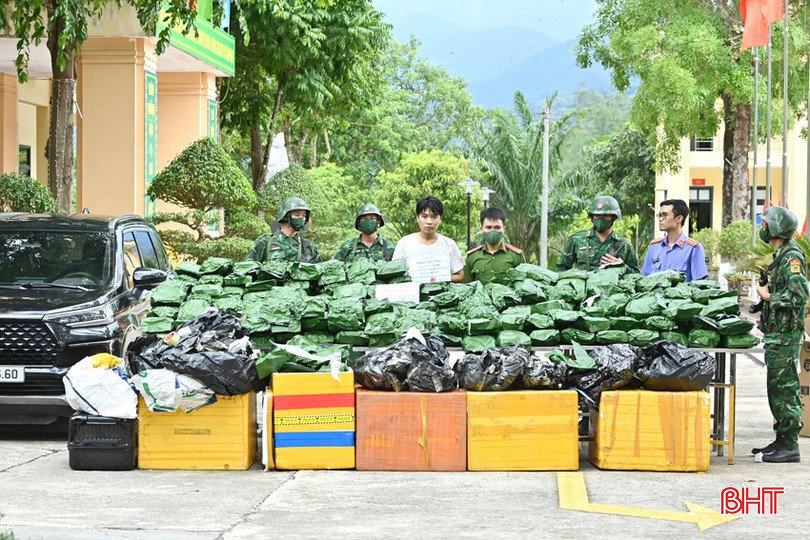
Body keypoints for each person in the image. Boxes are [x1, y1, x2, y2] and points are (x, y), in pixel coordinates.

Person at [751, 206, 807, 463]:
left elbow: (799, 296)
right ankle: (781, 439)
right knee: (776, 388)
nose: (763, 228)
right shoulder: (781, 256)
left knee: (785, 389)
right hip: (777, 334)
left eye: (766, 225)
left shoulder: (792, 258)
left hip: (786, 335)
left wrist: (767, 296)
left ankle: (790, 445)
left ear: (776, 229)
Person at [556, 195, 639, 273]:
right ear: (592, 217)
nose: (600, 219)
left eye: (605, 215)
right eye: (597, 215)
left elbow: (636, 276)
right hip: (584, 287)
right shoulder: (577, 239)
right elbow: (561, 269)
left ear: (613, 218)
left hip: (612, 287)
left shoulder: (624, 245)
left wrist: (623, 267)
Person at [392, 196, 465, 283]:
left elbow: (460, 276)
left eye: (434, 217)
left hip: (443, 296)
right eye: (424, 216)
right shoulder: (404, 243)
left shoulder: (449, 244)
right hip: (414, 295)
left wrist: (440, 278)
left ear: (440, 219)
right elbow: (394, 274)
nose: (429, 221)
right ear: (417, 218)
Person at [641, 199, 708, 282]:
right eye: (660, 215)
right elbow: (644, 280)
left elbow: (699, 285)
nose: (660, 219)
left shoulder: (693, 249)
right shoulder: (655, 247)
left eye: (664, 215)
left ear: (679, 219)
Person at [245, 197, 321, 263]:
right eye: (297, 215)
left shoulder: (309, 247)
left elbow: (319, 273)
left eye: (304, 215)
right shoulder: (264, 242)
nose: (301, 218)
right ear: (285, 216)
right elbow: (248, 270)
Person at [464, 207, 525, 284]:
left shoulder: (516, 256)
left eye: (497, 227)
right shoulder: (472, 257)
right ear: (481, 229)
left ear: (504, 229)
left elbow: (522, 286)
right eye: (488, 227)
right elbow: (468, 287)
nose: (493, 231)